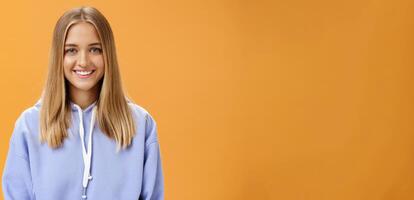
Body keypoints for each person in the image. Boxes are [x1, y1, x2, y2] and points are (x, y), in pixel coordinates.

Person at [2, 6, 164, 200]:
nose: (83, 61)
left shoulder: (141, 125)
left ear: (108, 54)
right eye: (71, 50)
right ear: (58, 57)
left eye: (95, 49)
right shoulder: (29, 126)